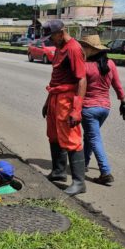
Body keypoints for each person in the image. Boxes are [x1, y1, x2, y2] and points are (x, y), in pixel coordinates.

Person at [41, 19, 88, 196]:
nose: (50, 40)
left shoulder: (73, 49)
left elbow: (81, 80)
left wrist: (76, 109)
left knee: (71, 138)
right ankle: (58, 171)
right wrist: (47, 102)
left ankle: (79, 182)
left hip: (67, 100)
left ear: (61, 32)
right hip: (55, 96)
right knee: (53, 135)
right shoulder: (60, 48)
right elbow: (56, 80)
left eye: (52, 36)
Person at [79, 35, 125, 185]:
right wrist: (123, 102)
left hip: (88, 108)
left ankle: (105, 172)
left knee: (94, 138)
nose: (82, 50)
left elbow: (78, 87)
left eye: (85, 47)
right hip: (104, 109)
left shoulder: (85, 66)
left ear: (92, 50)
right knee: (89, 137)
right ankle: (84, 164)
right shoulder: (110, 64)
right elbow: (117, 85)